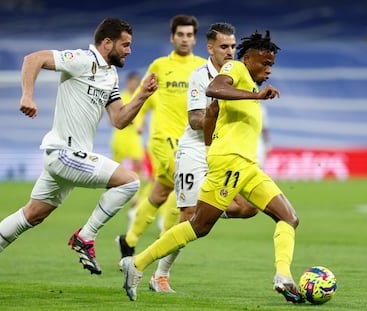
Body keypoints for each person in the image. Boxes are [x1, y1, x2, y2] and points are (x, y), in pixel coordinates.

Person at [0, 17, 158, 301]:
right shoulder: (82, 59)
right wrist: (27, 95)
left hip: (67, 159)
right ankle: (85, 237)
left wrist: (142, 96)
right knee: (129, 182)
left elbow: (119, 119)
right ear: (107, 43)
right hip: (64, 153)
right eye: (125, 45)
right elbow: (34, 58)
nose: (129, 50)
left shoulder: (110, 76)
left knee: (32, 215)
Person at [120, 30, 305, 304]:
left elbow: (212, 113)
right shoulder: (236, 69)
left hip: (246, 166)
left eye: (272, 65)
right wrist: (254, 98)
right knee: (198, 225)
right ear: (249, 57)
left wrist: (208, 149)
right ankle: (136, 264)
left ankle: (283, 276)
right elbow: (213, 89)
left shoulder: (250, 85)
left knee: (289, 217)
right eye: (264, 63)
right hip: (230, 162)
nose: (268, 70)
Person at [148, 22, 258, 293]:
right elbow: (196, 120)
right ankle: (158, 276)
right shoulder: (201, 76)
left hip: (223, 152)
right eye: (224, 46)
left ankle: (204, 211)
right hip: (195, 152)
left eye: (233, 46)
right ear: (210, 48)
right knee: (187, 217)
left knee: (248, 207)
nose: (230, 51)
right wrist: (220, 108)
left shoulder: (241, 75)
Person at [116, 15, 206, 259]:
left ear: (194, 38)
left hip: (190, 141)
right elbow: (142, 96)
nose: (185, 39)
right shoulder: (159, 66)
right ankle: (164, 242)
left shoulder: (203, 67)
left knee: (160, 192)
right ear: (172, 37)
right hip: (163, 139)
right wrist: (135, 121)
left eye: (189, 35)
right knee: (183, 190)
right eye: (180, 35)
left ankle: (129, 240)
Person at [110, 71, 148, 228]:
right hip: (120, 136)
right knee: (114, 168)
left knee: (138, 165)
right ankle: (112, 194)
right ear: (127, 82)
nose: (134, 84)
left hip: (133, 138)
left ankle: (136, 196)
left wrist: (141, 126)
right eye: (132, 81)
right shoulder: (121, 96)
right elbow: (115, 115)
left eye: (136, 81)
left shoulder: (139, 97)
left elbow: (142, 117)